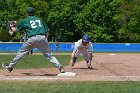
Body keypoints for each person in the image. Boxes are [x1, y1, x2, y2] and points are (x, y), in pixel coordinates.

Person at [2, 7, 65, 73]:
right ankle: (60, 67)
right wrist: (45, 40)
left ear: (26, 13)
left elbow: (14, 30)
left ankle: (10, 67)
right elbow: (47, 31)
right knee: (50, 56)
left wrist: (11, 26)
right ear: (33, 13)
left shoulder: (25, 20)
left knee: (21, 53)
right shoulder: (39, 19)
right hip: (42, 38)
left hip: (32, 39)